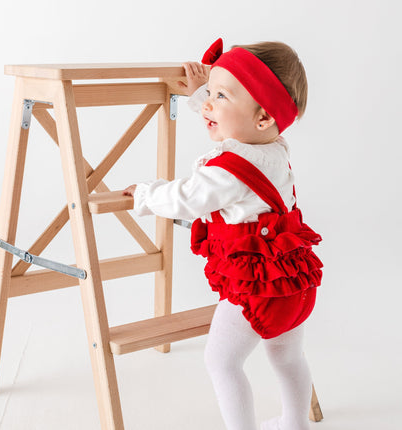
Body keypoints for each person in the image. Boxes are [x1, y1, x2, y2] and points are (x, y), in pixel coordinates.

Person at [123, 38, 322, 430]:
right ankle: (295, 422)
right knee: (287, 357)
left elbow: (187, 197)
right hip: (293, 283)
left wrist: (146, 193)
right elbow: (236, 122)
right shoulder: (274, 149)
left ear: (263, 117)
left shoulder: (228, 171)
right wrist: (204, 94)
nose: (209, 105)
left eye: (220, 96)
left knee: (221, 361)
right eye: (210, 94)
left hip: (255, 289)